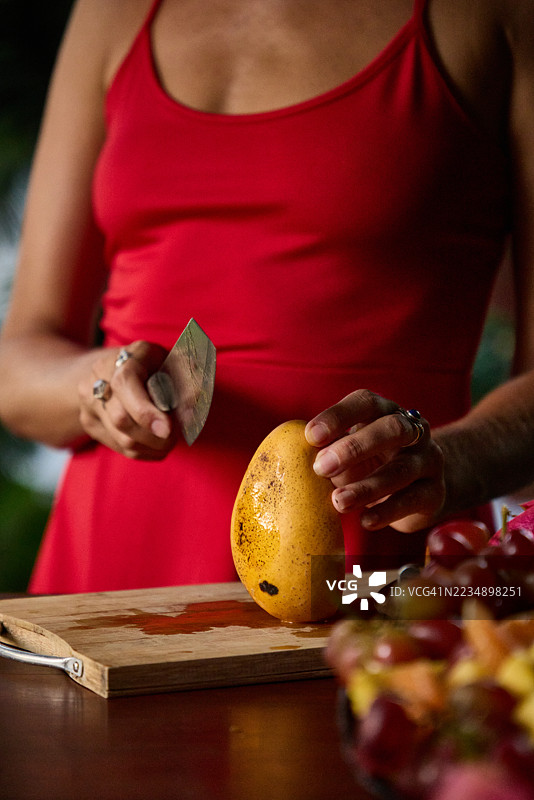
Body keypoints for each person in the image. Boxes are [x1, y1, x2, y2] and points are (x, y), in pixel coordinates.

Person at [0, 0, 533, 594]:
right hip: (115, 556)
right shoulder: (111, 12)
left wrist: (449, 464)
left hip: (364, 554)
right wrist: (97, 383)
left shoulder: (498, 14)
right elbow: (17, 365)